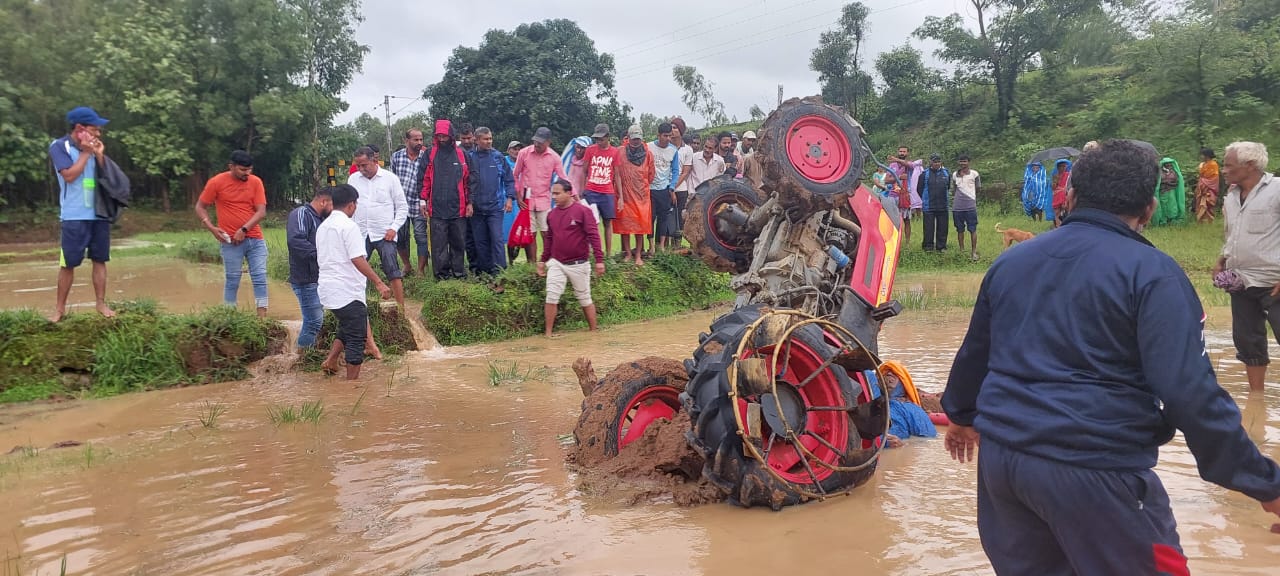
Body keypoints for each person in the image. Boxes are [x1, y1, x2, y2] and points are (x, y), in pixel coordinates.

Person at [942, 139, 1280, 575]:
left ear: (1072, 197)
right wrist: (1265, 483)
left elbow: (975, 353)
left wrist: (962, 415)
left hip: (1004, 469)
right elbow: (1189, 394)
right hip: (1096, 469)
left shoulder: (1012, 262)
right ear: (1152, 207)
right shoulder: (1153, 273)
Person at [1214, 141, 1280, 392]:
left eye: (1229, 165)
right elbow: (1232, 234)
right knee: (1247, 341)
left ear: (1249, 166)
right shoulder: (1231, 196)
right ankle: (1256, 398)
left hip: (1272, 281)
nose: (1224, 170)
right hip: (1240, 279)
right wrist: (1222, 259)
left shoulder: (1277, 190)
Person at [317, 184, 392, 380]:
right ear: (351, 205)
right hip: (346, 291)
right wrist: (379, 282)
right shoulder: (349, 227)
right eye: (356, 204)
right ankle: (351, 386)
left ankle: (331, 361)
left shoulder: (323, 226)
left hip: (328, 290)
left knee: (349, 325)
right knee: (356, 339)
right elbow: (357, 259)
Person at [49, 106, 115, 322]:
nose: (98, 134)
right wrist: (87, 154)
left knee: (100, 260)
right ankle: (59, 309)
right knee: (68, 263)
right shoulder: (59, 147)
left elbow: (108, 178)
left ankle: (101, 304)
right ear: (79, 129)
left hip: (99, 213)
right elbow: (69, 176)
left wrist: (99, 155)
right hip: (73, 216)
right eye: (94, 129)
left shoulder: (95, 148)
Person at [196, 150, 269, 318]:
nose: (247, 173)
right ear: (231, 167)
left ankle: (262, 319)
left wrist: (243, 230)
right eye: (243, 170)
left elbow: (261, 211)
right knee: (232, 280)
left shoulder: (255, 182)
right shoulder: (217, 182)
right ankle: (230, 317)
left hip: (255, 240)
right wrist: (211, 227)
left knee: (259, 278)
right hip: (229, 242)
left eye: (249, 169)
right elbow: (200, 207)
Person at [537, 181, 605, 337]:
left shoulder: (583, 211)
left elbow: (594, 236)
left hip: (579, 263)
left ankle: (594, 331)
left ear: (569, 193)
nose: (554, 197)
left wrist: (599, 260)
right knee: (552, 295)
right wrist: (542, 260)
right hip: (556, 262)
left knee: (584, 298)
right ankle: (548, 334)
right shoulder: (551, 215)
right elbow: (549, 240)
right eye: (552, 193)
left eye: (557, 193)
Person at [348, 146, 408, 309]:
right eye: (358, 165)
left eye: (364, 165)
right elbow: (349, 207)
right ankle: (356, 307)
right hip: (360, 233)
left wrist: (394, 228)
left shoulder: (390, 179)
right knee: (354, 270)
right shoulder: (353, 179)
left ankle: (401, 311)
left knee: (393, 271)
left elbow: (402, 207)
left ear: (374, 161)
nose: (361, 169)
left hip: (384, 233)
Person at [419, 119, 478, 280]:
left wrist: (470, 202)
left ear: (451, 135)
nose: (442, 139)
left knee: (458, 243)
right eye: (439, 136)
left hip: (458, 207)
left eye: (445, 136)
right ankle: (441, 277)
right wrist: (422, 201)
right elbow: (423, 179)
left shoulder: (462, 154)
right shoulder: (430, 154)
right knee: (438, 246)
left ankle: (458, 274)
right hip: (436, 208)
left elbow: (470, 180)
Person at [285, 186, 333, 351]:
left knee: (315, 320)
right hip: (305, 278)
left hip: (317, 278)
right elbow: (296, 241)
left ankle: (305, 354)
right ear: (323, 201)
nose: (333, 210)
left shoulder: (320, 219)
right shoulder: (301, 214)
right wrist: (322, 255)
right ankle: (302, 358)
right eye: (332, 205)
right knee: (313, 321)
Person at [515, 127, 569, 259]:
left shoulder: (554, 157)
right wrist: (517, 196)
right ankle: (532, 264)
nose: (537, 144)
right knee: (530, 234)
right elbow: (515, 175)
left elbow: (563, 178)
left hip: (544, 199)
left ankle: (548, 261)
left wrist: (572, 196)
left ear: (548, 142)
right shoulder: (524, 153)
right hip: (526, 200)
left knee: (546, 232)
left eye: (541, 142)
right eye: (535, 141)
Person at [468, 127, 516, 277]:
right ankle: (485, 274)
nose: (489, 141)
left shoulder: (498, 157)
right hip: (476, 209)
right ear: (476, 140)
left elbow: (509, 180)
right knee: (480, 242)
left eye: (490, 138)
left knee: (497, 239)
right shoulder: (469, 157)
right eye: (485, 139)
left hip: (495, 207)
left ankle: (500, 273)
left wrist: (509, 198)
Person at [389, 129, 430, 276]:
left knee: (421, 235)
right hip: (400, 204)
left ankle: (420, 269)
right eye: (416, 140)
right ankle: (407, 265)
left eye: (421, 139)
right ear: (407, 140)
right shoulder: (396, 157)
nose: (419, 142)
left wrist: (426, 200)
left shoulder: (426, 157)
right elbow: (391, 180)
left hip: (420, 204)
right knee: (400, 236)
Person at [582, 123, 624, 256]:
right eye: (597, 139)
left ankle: (608, 254)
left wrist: (620, 197)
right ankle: (591, 252)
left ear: (607, 137)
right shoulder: (590, 150)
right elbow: (584, 171)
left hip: (607, 192)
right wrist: (584, 191)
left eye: (601, 139)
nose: (598, 142)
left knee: (607, 223)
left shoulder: (614, 152)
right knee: (590, 223)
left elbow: (617, 175)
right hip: (591, 191)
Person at [616, 125, 656, 265]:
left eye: (638, 139)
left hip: (641, 196)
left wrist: (640, 185)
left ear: (641, 138)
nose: (635, 142)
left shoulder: (648, 154)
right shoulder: (620, 152)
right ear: (628, 138)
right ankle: (628, 253)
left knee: (640, 227)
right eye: (633, 139)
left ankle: (638, 255)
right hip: (625, 196)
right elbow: (616, 173)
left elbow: (651, 174)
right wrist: (621, 195)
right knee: (625, 226)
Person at [647, 122, 681, 254]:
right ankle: (651, 246)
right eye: (665, 135)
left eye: (670, 136)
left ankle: (661, 245)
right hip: (650, 188)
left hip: (664, 188)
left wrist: (672, 188)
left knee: (664, 218)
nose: (668, 138)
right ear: (659, 135)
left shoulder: (673, 150)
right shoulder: (649, 147)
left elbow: (675, 170)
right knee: (650, 218)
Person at [917, 153, 951, 251]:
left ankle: (941, 247)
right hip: (929, 207)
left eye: (938, 161)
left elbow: (947, 187)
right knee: (928, 229)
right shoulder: (924, 174)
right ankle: (928, 247)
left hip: (943, 205)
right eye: (934, 162)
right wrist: (925, 199)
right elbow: (919, 189)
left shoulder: (946, 173)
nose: (936, 163)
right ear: (930, 162)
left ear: (941, 162)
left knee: (943, 228)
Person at [670, 120, 696, 249]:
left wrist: (673, 187)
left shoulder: (688, 150)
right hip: (664, 187)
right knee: (667, 218)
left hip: (680, 188)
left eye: (675, 127)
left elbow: (685, 172)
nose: (672, 129)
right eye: (671, 127)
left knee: (679, 218)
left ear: (680, 131)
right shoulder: (666, 146)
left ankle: (677, 246)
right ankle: (664, 247)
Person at [504, 140, 530, 264]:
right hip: (508, 200)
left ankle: (519, 253)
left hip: (522, 200)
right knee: (510, 230)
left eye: (519, 149)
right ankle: (510, 260)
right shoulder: (504, 162)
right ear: (508, 150)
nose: (516, 151)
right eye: (514, 149)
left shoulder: (525, 163)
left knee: (522, 227)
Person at [952, 155, 980, 260]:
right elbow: (954, 189)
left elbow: (978, 188)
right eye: (961, 161)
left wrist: (970, 197)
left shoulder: (974, 174)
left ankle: (973, 252)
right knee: (959, 230)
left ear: (969, 162)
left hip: (970, 207)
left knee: (972, 229)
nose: (963, 163)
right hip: (957, 207)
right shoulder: (955, 175)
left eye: (965, 161)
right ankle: (962, 251)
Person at [888, 147, 916, 248]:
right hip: (893, 195)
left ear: (907, 153)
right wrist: (898, 177)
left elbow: (910, 165)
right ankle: (894, 243)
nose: (902, 153)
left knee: (907, 220)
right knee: (893, 220)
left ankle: (907, 243)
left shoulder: (910, 165)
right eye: (900, 151)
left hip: (906, 195)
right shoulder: (892, 165)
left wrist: (896, 159)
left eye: (904, 151)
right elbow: (887, 180)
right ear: (897, 152)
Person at [1153, 157, 1187, 226]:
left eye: (1170, 164)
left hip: (1172, 192)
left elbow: (1177, 180)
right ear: (1164, 164)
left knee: (1172, 206)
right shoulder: (1160, 172)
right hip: (1163, 192)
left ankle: (1172, 220)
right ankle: (1163, 220)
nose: (1168, 165)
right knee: (1164, 206)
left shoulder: (1174, 171)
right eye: (1167, 164)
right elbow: (1158, 182)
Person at [1194, 147, 1220, 224]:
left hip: (1209, 189)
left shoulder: (1213, 164)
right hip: (1202, 188)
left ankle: (1209, 222)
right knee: (1200, 204)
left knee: (1208, 204)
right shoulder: (1203, 164)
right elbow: (1201, 176)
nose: (1201, 157)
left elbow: (1214, 178)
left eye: (1202, 155)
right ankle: (1201, 221)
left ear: (1207, 156)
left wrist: (1203, 182)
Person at [1050, 159, 1072, 228]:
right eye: (1061, 166)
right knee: (1057, 213)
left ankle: (1066, 225)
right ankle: (1058, 226)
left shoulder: (1068, 175)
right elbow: (1053, 188)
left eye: (1064, 166)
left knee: (1067, 211)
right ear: (1058, 167)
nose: (1062, 168)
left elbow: (1070, 185)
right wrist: (1055, 181)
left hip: (1065, 195)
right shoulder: (1055, 176)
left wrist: (1064, 189)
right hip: (1057, 196)